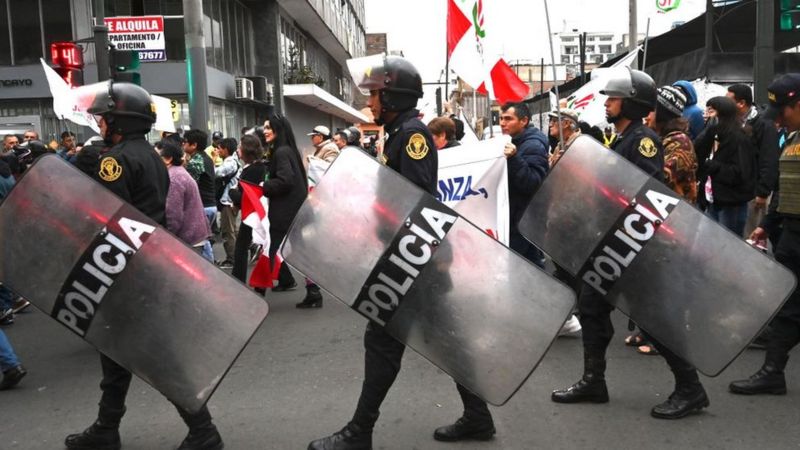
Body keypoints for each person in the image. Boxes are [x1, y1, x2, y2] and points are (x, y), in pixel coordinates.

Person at [308, 55, 495, 450]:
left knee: (383, 342)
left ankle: (360, 433)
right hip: (414, 259)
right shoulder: (397, 132)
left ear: (392, 95)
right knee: (446, 339)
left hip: (412, 261)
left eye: (376, 93)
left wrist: (396, 248)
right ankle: (478, 417)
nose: (371, 101)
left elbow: (415, 202)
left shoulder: (412, 135)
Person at [65, 81, 223, 450]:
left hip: (128, 267)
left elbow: (112, 215)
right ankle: (107, 427)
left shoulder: (114, 160)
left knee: (157, 353)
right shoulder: (151, 156)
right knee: (114, 349)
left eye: (105, 118)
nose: (100, 124)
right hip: (150, 260)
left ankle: (204, 431)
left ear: (119, 121)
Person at [552, 69, 710, 420]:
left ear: (632, 103)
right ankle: (594, 381)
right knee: (591, 308)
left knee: (652, 318)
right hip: (608, 243)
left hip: (632, 245)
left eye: (613, 98)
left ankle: (690, 388)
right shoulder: (621, 139)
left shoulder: (642, 141)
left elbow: (645, 193)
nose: (607, 103)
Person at [729, 73, 800, 396]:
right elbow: (786, 190)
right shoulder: (793, 138)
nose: (779, 120)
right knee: (788, 307)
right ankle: (772, 372)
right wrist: (767, 226)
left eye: (784, 111)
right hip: (791, 236)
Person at [694, 96, 755, 236]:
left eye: (711, 111)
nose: (707, 114)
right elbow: (698, 152)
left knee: (728, 242)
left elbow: (740, 173)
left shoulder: (738, 138)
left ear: (723, 114)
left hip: (731, 201)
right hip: (711, 198)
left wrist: (712, 165)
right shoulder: (714, 134)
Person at [262, 114, 308, 296]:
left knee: (272, 250)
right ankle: (310, 289)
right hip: (293, 210)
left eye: (268, 127)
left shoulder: (281, 152)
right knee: (298, 253)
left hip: (284, 212)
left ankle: (259, 289)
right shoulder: (288, 150)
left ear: (278, 130)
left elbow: (285, 180)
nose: (264, 131)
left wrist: (264, 186)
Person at [726, 84, 780, 237]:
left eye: (728, 100)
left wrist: (762, 192)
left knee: (752, 237)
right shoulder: (733, 122)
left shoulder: (763, 124)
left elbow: (769, 159)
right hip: (737, 192)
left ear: (741, 103)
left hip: (755, 193)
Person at [500, 102, 549, 269]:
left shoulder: (533, 145)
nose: (502, 123)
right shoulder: (513, 141)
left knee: (527, 272)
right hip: (518, 221)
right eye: (501, 118)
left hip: (524, 223)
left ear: (523, 121)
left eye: (508, 119)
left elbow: (533, 183)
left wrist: (514, 158)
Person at [159, 140, 212, 253]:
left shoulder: (173, 178)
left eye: (157, 157)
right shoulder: (178, 172)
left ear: (168, 159)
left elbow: (173, 215)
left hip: (188, 238)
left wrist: (164, 238)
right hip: (195, 234)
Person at [229, 135, 268, 286]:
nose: (238, 150)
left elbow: (246, 196)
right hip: (254, 212)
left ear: (247, 150)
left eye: (240, 147)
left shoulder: (252, 170)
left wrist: (232, 192)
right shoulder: (258, 167)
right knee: (268, 244)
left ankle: (237, 280)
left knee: (241, 247)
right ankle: (286, 278)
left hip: (251, 213)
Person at [182, 129, 218, 262]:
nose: (183, 145)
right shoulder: (206, 158)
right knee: (204, 239)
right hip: (210, 205)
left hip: (203, 206)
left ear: (194, 145)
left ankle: (209, 269)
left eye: (185, 142)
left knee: (201, 240)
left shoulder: (196, 161)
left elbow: (187, 184)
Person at [214, 137, 242, 268]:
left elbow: (217, 173)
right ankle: (250, 248)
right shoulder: (233, 161)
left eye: (220, 148)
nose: (218, 150)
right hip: (230, 200)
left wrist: (213, 161)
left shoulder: (230, 162)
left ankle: (231, 259)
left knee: (227, 231)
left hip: (227, 201)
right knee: (233, 230)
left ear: (226, 149)